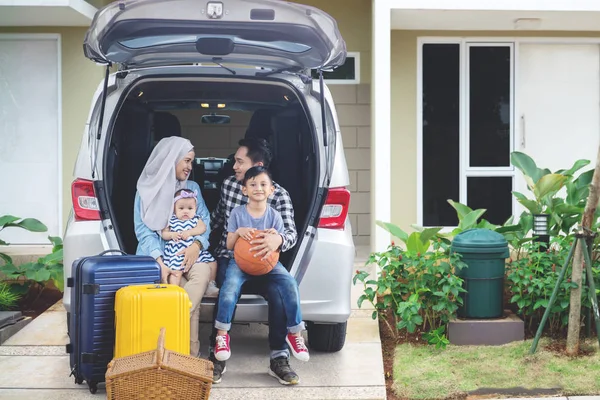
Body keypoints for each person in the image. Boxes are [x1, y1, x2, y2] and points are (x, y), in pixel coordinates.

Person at [209, 137, 302, 385]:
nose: (234, 167)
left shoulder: (279, 196)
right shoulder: (230, 185)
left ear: (257, 165)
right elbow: (217, 217)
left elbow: (291, 233)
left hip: (265, 261)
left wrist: (278, 240)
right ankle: (217, 356)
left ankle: (279, 358)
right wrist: (196, 241)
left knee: (279, 293)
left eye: (239, 162)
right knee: (227, 290)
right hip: (231, 257)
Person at [134, 136, 212, 357]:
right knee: (188, 300)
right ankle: (189, 356)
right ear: (171, 159)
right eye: (186, 161)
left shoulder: (193, 188)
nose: (189, 167)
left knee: (201, 274)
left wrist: (197, 245)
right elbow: (143, 230)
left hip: (191, 253)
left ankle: (173, 331)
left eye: (191, 162)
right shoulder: (145, 190)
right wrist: (160, 263)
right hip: (158, 256)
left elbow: (204, 222)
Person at [160, 188, 220, 296]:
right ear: (174, 209)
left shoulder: (196, 219)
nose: (186, 211)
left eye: (190, 208)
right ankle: (173, 291)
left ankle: (210, 285)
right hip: (176, 252)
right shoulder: (171, 220)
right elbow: (164, 234)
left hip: (194, 250)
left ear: (195, 209)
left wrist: (189, 232)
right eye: (181, 208)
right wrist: (172, 235)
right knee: (175, 273)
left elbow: (202, 228)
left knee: (213, 263)